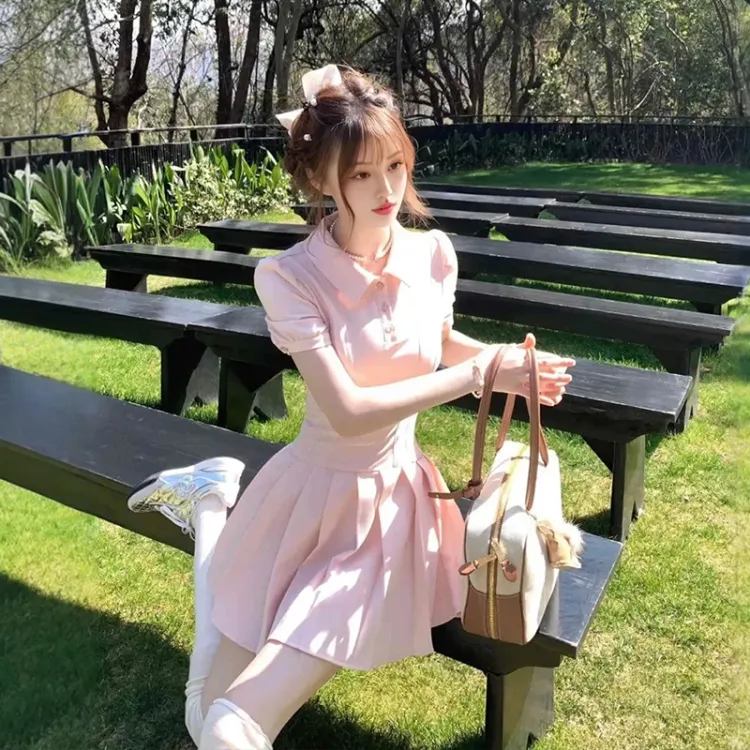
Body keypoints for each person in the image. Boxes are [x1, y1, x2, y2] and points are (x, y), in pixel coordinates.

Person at [126, 64, 576, 750]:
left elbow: (436, 340)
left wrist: (506, 366)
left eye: (395, 165)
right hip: (307, 494)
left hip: (390, 509)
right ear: (321, 180)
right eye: (362, 174)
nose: (387, 189)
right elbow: (349, 410)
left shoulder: (433, 255)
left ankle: (211, 500)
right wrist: (478, 373)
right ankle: (212, 502)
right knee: (209, 718)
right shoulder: (289, 278)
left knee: (225, 727)